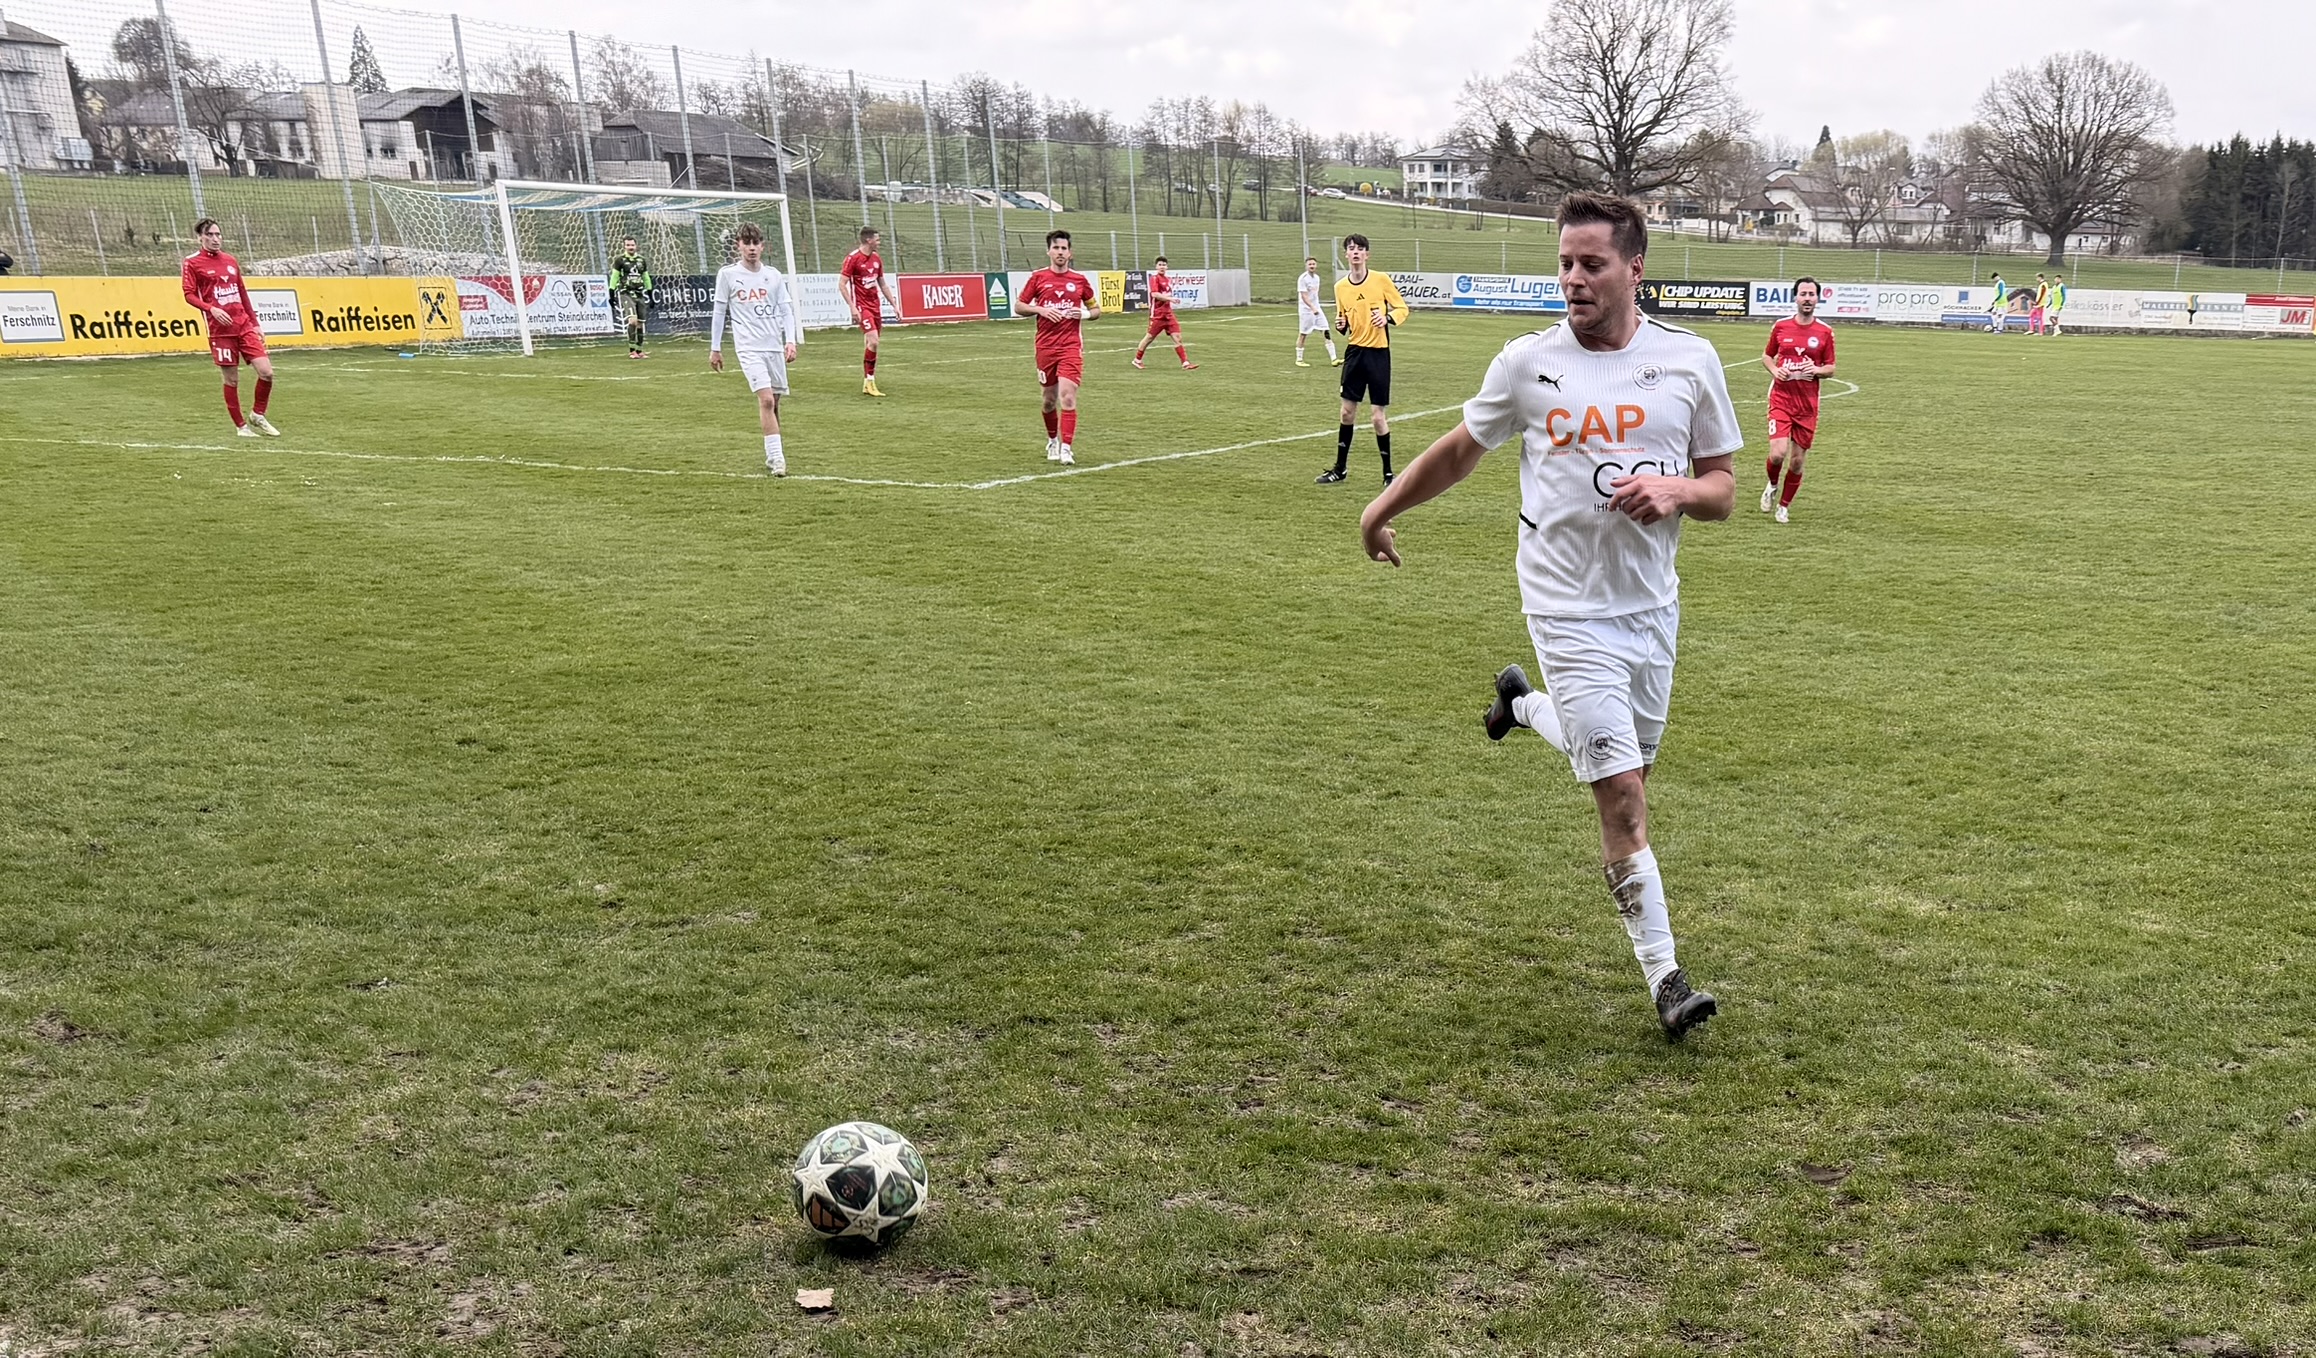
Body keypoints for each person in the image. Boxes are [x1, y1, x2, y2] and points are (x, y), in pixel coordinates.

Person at [1355, 191, 1740, 1040]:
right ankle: (1668, 980)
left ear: (1634, 269)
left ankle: (1522, 706)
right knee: (1624, 798)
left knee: (1628, 762)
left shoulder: (1690, 363)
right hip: (1564, 606)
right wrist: (1379, 510)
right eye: (1565, 262)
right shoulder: (1526, 363)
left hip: (1650, 607)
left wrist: (1678, 489)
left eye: (1591, 263)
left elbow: (1721, 491)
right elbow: (1461, 449)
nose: (1573, 278)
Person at [707, 223, 802, 477]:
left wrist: (790, 341)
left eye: (755, 243)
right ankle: (777, 459)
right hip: (749, 348)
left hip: (773, 347)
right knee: (767, 399)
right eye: (746, 243)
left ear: (762, 246)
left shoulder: (773, 275)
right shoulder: (728, 275)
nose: (751, 248)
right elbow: (719, 312)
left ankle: (773, 453)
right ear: (738, 245)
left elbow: (785, 310)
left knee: (775, 404)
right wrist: (715, 348)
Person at [1316, 234, 1408, 485]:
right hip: (1354, 354)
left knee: (1378, 417)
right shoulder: (1340, 287)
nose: (1355, 252)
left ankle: (1389, 474)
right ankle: (1340, 469)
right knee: (1347, 412)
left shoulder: (1381, 280)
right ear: (1346, 255)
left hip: (1378, 354)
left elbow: (1402, 308)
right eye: (1351, 249)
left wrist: (1387, 318)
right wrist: (1340, 324)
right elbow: (1343, 321)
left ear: (1367, 254)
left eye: (1360, 249)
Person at [180, 217, 279, 437]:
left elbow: (242, 293)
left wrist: (255, 323)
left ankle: (258, 414)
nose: (215, 239)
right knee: (231, 379)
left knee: (266, 372)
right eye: (210, 235)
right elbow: (188, 294)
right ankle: (241, 427)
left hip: (243, 325)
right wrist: (210, 309)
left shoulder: (231, 260)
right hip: (220, 331)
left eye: (218, 234)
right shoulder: (192, 262)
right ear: (200, 237)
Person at [1016, 228, 1101, 466]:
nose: (1060, 252)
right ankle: (1052, 440)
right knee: (1048, 399)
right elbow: (1019, 306)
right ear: (1049, 251)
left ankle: (1066, 448)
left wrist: (1083, 313)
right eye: (1056, 248)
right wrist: (1040, 309)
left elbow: (1096, 311)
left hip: (1071, 347)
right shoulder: (1038, 278)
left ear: (1070, 253)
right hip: (1045, 347)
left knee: (1068, 397)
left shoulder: (1079, 280)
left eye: (1064, 248)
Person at [1760, 277, 1837, 524]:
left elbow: (1831, 368)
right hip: (1781, 398)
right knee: (1778, 454)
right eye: (1803, 293)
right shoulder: (1781, 327)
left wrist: (1815, 369)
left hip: (1807, 406)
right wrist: (1775, 371)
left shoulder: (1824, 332)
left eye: (1811, 294)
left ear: (1817, 299)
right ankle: (1772, 485)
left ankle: (1784, 506)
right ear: (1795, 297)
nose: (1807, 298)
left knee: (1796, 461)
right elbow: (1767, 356)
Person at [838, 227, 901, 397]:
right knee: (873, 341)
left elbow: (882, 283)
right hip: (862, 307)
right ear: (868, 240)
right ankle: (870, 380)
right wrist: (852, 307)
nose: (879, 242)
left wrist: (894, 305)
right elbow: (842, 284)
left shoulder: (876, 259)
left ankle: (867, 384)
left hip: (875, 306)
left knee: (871, 343)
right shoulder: (853, 259)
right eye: (877, 239)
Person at [1131, 256, 1196, 370]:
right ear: (1156, 267)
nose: (1162, 267)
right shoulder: (1154, 279)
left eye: (1164, 265)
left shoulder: (1168, 280)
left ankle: (1185, 363)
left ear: (1167, 267)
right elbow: (1154, 294)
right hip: (1157, 314)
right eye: (1160, 265)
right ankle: (1137, 360)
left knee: (1178, 337)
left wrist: (1169, 299)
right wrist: (1170, 299)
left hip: (1168, 314)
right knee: (1149, 338)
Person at [611, 237, 652, 359]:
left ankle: (639, 351)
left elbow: (645, 277)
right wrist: (611, 293)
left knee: (640, 323)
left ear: (636, 245)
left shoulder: (641, 260)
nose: (630, 247)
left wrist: (650, 293)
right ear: (624, 246)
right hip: (626, 293)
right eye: (628, 245)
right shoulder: (620, 260)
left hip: (639, 294)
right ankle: (631, 350)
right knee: (632, 321)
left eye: (632, 245)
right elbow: (614, 277)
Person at [1295, 256, 1339, 367]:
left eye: (1313, 264)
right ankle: (1299, 359)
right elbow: (1304, 296)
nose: (1312, 266)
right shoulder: (1303, 279)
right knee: (1303, 334)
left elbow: (1314, 295)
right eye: (1310, 264)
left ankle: (1334, 359)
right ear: (1306, 266)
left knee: (1326, 330)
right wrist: (1312, 307)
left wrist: (1316, 307)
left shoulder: (1317, 278)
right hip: (1306, 310)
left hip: (1317, 309)